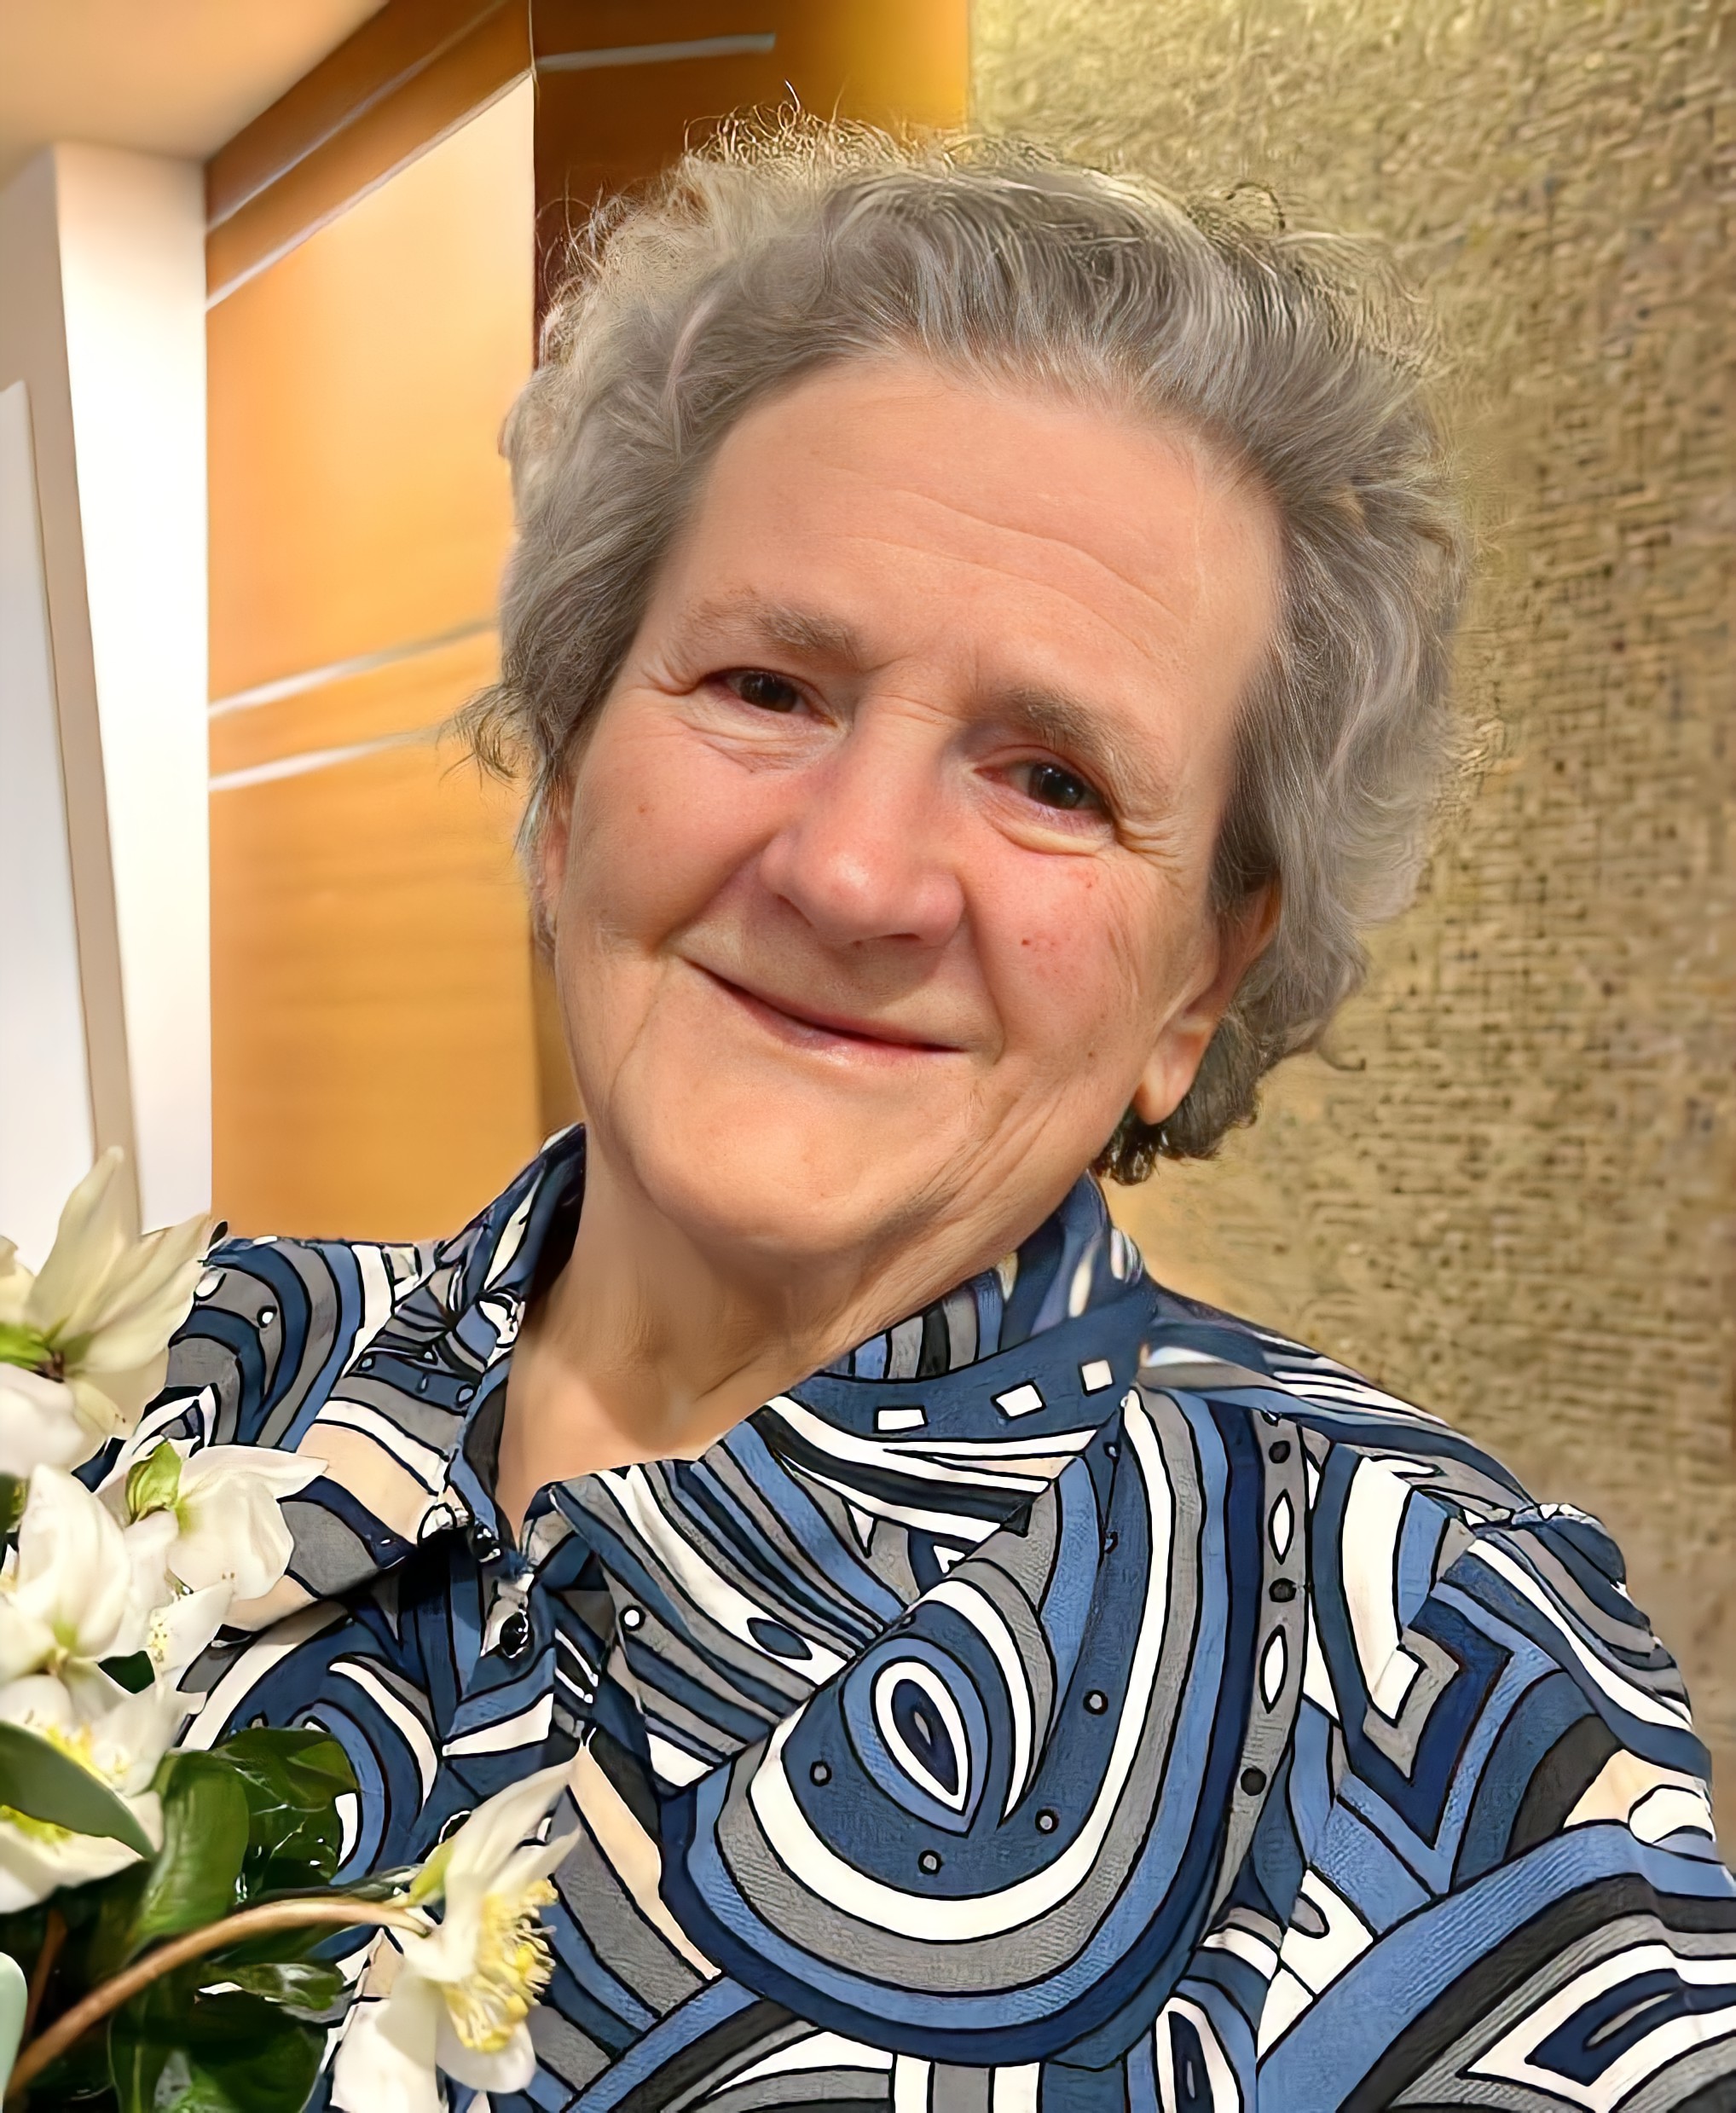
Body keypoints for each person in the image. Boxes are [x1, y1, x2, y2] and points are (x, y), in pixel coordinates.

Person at [154, 125, 1736, 2108]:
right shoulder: (175, 1376)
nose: (852, 874)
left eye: (1052, 778)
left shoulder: (1440, 1661)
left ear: (1200, 980)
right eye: (765, 686)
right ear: (563, 780)